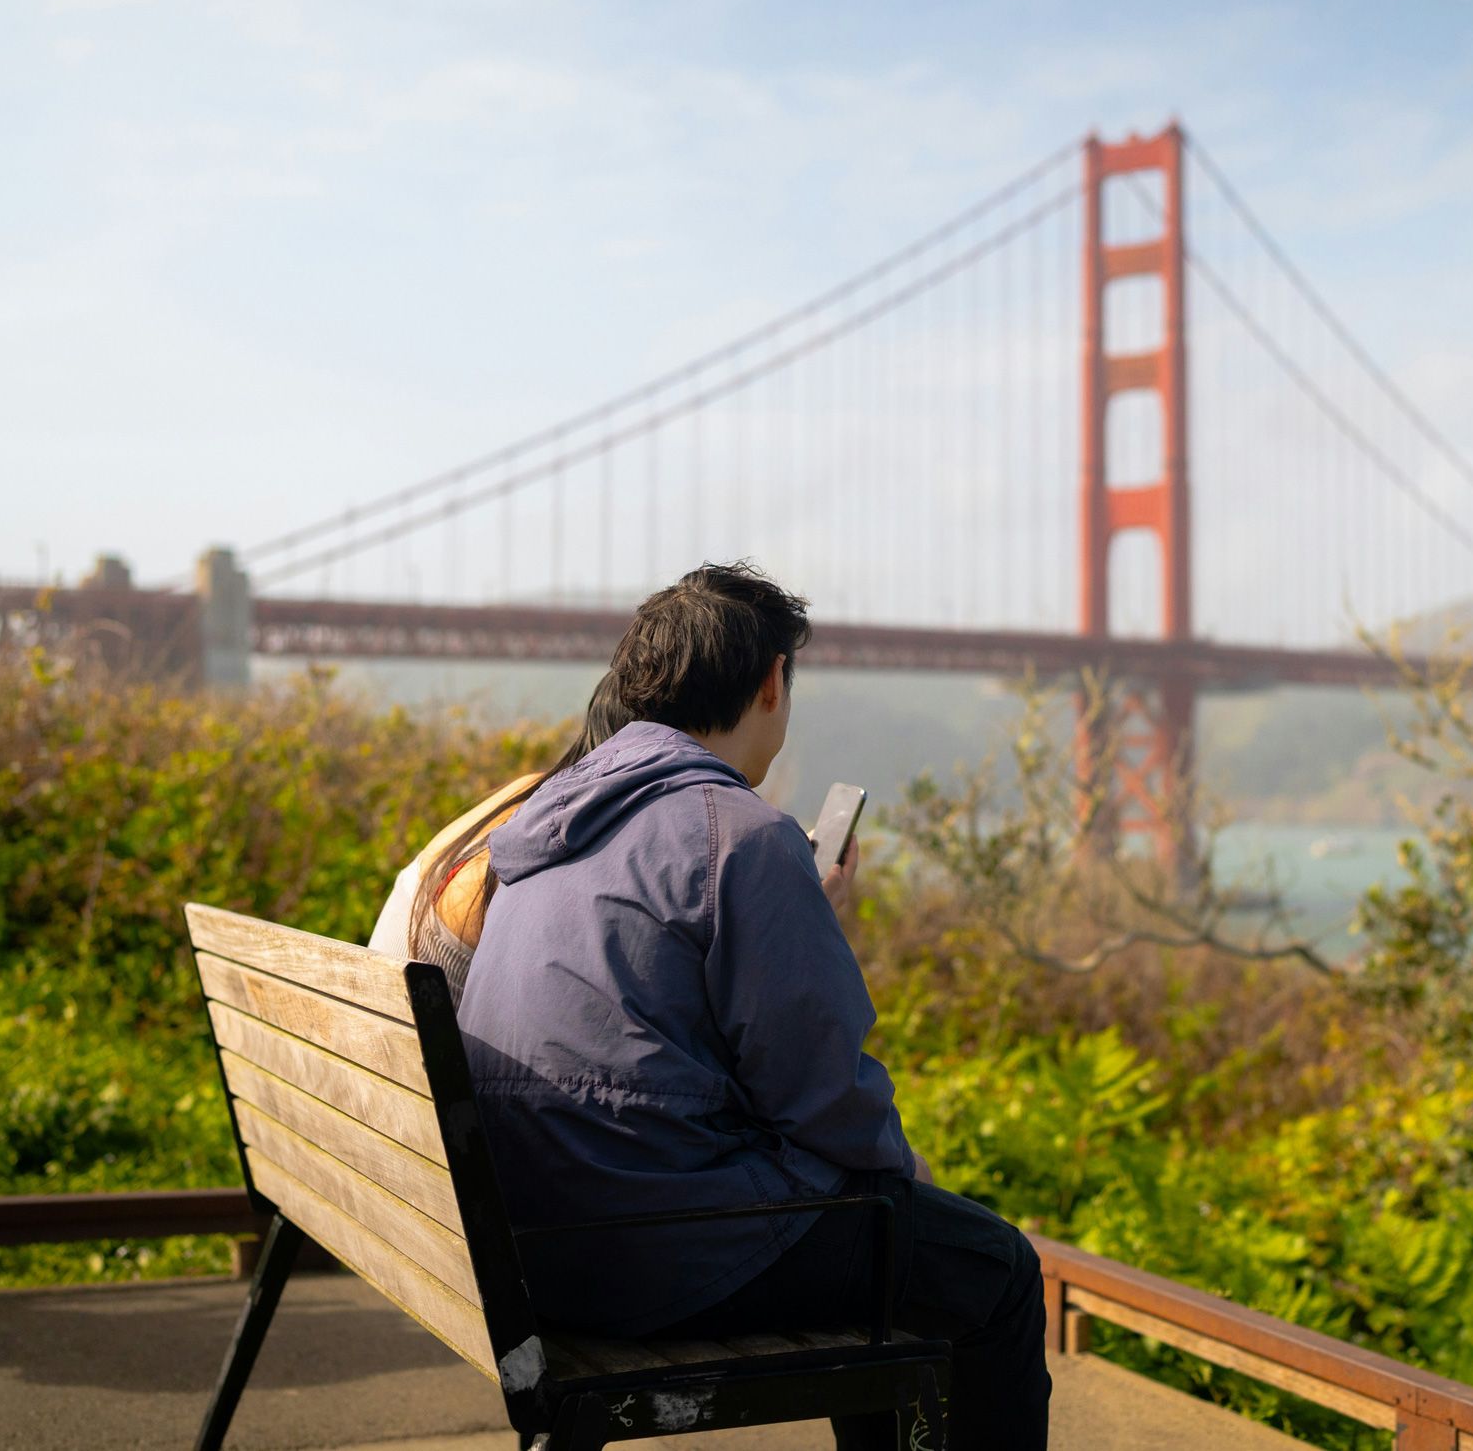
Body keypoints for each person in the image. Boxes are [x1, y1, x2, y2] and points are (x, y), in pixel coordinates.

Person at [447, 562, 1051, 1451]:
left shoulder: (551, 822)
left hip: (538, 1240)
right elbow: (822, 1097)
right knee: (994, 1269)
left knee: (893, 1245)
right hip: (660, 1251)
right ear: (771, 681)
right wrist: (904, 1174)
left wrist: (799, 910)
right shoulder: (741, 834)